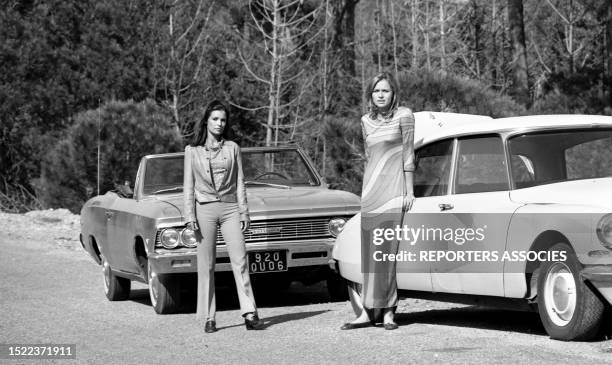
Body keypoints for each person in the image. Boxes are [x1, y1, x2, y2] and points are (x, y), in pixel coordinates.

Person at [341, 72, 415, 331]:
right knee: (370, 254)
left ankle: (388, 313)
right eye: (376, 91)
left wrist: (409, 191)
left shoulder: (404, 115)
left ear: (393, 93)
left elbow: (408, 154)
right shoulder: (365, 121)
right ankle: (367, 312)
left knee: (387, 253)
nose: (381, 95)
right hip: (370, 193)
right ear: (370, 95)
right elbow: (369, 157)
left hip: (394, 192)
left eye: (385, 90)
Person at [183, 100, 264, 333]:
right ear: (206, 121)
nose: (219, 124)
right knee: (206, 264)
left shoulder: (233, 148)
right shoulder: (192, 151)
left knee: (240, 261)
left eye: (223, 120)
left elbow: (240, 182)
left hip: (230, 209)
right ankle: (209, 317)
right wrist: (190, 216)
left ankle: (250, 312)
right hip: (203, 209)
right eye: (215, 119)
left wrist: (244, 211)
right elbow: (188, 186)